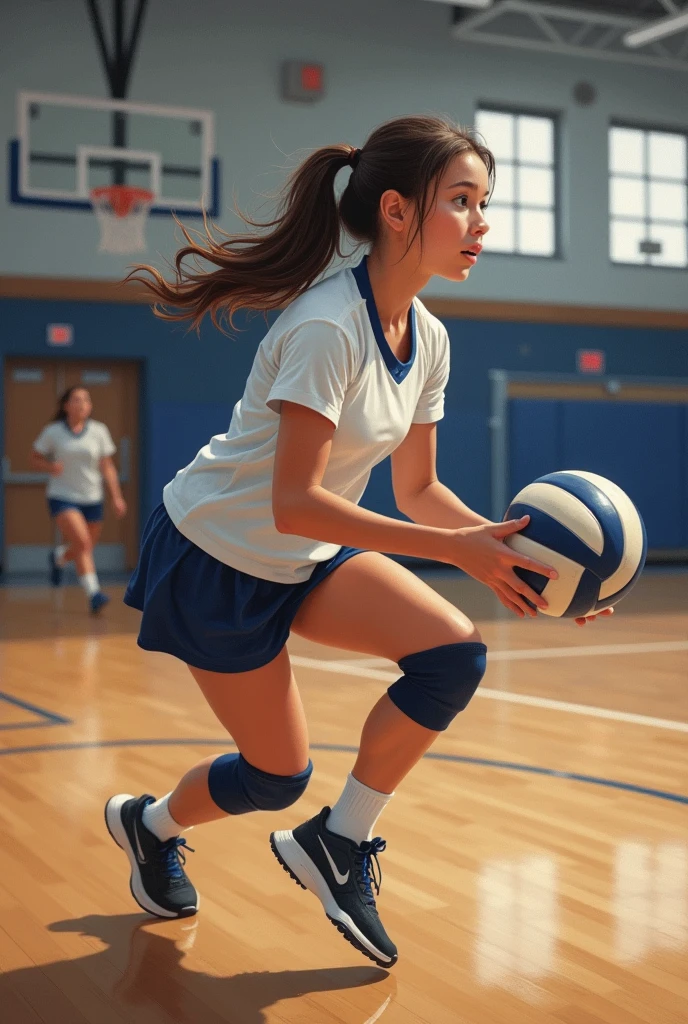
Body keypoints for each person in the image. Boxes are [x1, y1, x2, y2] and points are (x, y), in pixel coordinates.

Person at [105, 114, 611, 968]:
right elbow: (296, 501)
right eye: (462, 201)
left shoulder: (431, 335)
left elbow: (418, 490)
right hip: (216, 558)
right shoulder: (326, 327)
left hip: (306, 554)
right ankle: (149, 825)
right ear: (398, 210)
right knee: (275, 778)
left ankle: (340, 844)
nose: (482, 222)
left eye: (486, 202)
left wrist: (525, 564)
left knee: (453, 655)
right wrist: (458, 552)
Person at [31, 386, 127, 613]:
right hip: (62, 496)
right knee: (83, 543)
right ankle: (94, 594)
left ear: (90, 406)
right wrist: (49, 466)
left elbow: (107, 466)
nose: (81, 404)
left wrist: (117, 496)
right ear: (66, 406)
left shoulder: (99, 431)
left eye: (85, 400)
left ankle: (59, 557)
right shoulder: (53, 432)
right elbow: (33, 457)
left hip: (92, 497)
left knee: (84, 546)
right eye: (76, 400)